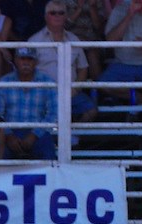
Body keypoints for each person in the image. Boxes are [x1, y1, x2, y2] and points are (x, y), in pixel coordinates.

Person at [30, 0, 97, 135]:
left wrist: (75, 89)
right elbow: (27, 71)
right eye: (53, 13)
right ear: (46, 16)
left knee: (92, 110)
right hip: (44, 94)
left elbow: (83, 68)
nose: (57, 16)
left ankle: (71, 135)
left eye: (61, 13)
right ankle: (53, 139)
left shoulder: (74, 39)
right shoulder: (34, 41)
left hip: (70, 93)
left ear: (66, 16)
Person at [0, 46, 57, 159]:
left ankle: (52, 176)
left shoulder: (48, 82)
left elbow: (53, 113)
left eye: (30, 59)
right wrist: (8, 135)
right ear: (15, 60)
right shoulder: (3, 82)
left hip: (39, 132)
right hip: (9, 131)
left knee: (48, 153)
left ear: (36, 62)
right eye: (22, 59)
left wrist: (35, 134)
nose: (26, 63)